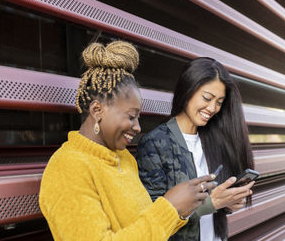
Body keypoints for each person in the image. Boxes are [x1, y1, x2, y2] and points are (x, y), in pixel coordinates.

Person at [39, 42, 217, 241]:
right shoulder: (67, 168)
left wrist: (182, 208)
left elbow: (147, 229)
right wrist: (170, 207)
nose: (138, 127)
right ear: (98, 110)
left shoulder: (124, 159)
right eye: (131, 117)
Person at [136, 57, 255, 241]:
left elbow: (216, 206)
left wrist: (228, 203)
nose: (212, 108)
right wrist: (211, 204)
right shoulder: (155, 143)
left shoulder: (214, 140)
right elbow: (151, 216)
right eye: (207, 98)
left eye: (219, 102)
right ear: (188, 89)